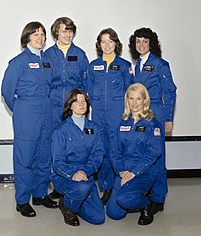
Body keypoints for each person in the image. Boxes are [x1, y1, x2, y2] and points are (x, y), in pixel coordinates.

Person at [1, 22, 58, 217]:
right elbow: (7, 92)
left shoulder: (47, 62)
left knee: (44, 155)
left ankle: (40, 194)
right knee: (25, 158)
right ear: (27, 38)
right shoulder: (18, 62)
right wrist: (21, 109)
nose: (40, 38)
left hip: (46, 112)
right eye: (35, 34)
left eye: (42, 34)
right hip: (27, 114)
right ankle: (23, 200)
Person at [128, 27, 177, 214]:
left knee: (157, 157)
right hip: (138, 114)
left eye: (145, 41)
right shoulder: (136, 65)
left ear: (151, 44)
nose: (141, 45)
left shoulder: (160, 64)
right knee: (142, 155)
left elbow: (170, 91)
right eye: (138, 41)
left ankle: (158, 198)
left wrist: (168, 118)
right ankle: (145, 193)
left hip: (155, 114)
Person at [45, 17, 90, 199]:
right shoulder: (47, 55)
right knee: (56, 147)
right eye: (64, 30)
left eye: (71, 31)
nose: (68, 34)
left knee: (74, 146)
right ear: (56, 32)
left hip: (74, 109)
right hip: (53, 107)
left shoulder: (79, 54)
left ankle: (75, 181)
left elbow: (86, 83)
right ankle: (58, 184)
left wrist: (83, 107)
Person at [88, 28, 133, 205]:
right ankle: (106, 188)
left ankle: (122, 185)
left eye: (110, 41)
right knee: (103, 152)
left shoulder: (124, 66)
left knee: (120, 151)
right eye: (103, 42)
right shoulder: (93, 66)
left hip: (118, 116)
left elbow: (130, 93)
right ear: (99, 45)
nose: (107, 45)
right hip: (99, 116)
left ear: (116, 43)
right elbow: (89, 93)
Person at [106, 83, 162, 225]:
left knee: (124, 199)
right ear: (127, 101)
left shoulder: (152, 124)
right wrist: (122, 171)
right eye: (131, 99)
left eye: (138, 99)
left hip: (144, 171)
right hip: (124, 170)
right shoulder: (123, 123)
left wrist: (133, 173)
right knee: (113, 213)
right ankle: (133, 195)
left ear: (145, 100)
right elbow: (115, 152)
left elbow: (154, 152)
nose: (134, 103)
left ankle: (146, 204)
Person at [50, 89, 105, 226]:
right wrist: (73, 174)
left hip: (86, 174)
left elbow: (98, 155)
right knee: (81, 188)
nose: (81, 104)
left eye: (84, 101)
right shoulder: (60, 131)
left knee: (98, 218)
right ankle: (67, 206)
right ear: (70, 105)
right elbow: (57, 163)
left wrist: (85, 171)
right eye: (76, 101)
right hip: (65, 176)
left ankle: (73, 201)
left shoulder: (94, 128)